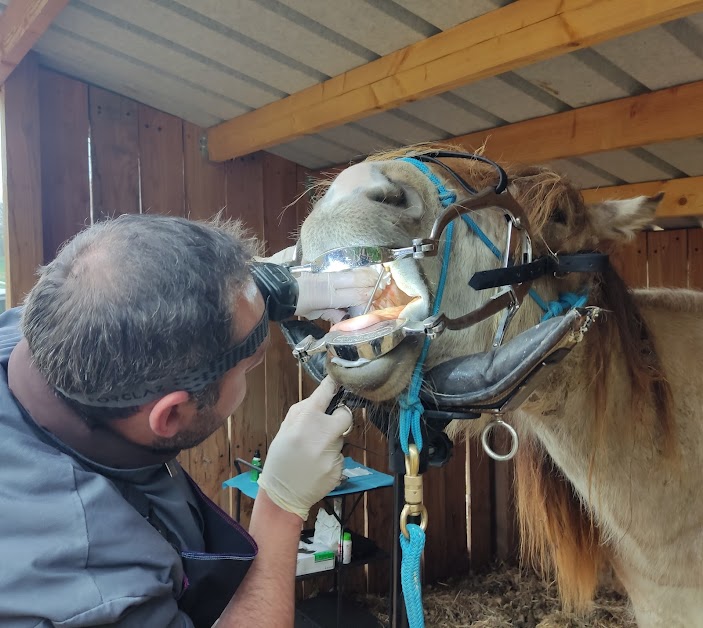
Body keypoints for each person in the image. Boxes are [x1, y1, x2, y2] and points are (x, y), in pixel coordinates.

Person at [0, 213, 378, 628]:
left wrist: (282, 290)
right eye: (249, 364)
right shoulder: (91, 593)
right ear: (172, 414)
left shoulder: (53, 325)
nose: (253, 365)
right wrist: (280, 507)